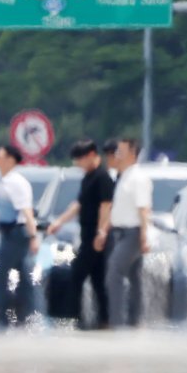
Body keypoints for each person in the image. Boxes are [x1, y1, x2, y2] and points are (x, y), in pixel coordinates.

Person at [47, 139, 113, 328]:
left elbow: (106, 206)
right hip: (87, 235)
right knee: (98, 281)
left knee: (76, 276)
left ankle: (75, 317)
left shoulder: (102, 177)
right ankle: (103, 319)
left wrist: (101, 232)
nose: (78, 164)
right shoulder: (88, 177)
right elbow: (79, 204)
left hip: (95, 237)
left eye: (80, 160)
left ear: (92, 155)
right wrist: (59, 221)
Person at [0, 145, 39, 328]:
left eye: (0, 157)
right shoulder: (6, 182)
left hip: (16, 235)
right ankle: (25, 315)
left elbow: (26, 211)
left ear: (10, 160)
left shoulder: (16, 182)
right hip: (10, 234)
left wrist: (33, 236)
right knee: (24, 278)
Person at [104, 138, 151, 328]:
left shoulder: (138, 177)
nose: (117, 155)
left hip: (133, 232)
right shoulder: (123, 176)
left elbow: (144, 209)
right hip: (120, 232)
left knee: (114, 272)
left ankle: (117, 321)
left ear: (132, 154)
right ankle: (134, 321)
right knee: (134, 278)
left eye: (121, 151)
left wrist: (144, 235)